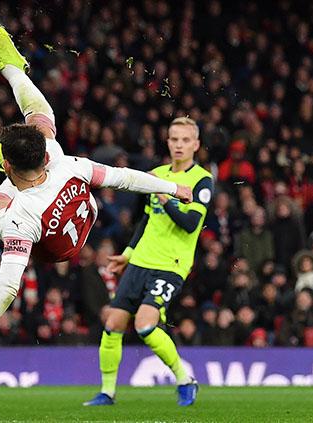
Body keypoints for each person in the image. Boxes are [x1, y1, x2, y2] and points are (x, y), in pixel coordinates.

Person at [0, 24, 191, 363]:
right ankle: (13, 68)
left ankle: (12, 157)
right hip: (85, 213)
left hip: (58, 249)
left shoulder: (19, 218)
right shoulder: (66, 162)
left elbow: (8, 286)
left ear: (8, 168)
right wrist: (175, 187)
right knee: (43, 123)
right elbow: (126, 178)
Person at [83, 116, 213, 407]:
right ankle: (107, 391)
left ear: (196, 144)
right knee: (113, 322)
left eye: (185, 140)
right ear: (167, 141)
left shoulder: (201, 180)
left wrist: (167, 196)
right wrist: (127, 256)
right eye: (174, 139)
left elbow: (191, 223)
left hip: (171, 264)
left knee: (144, 325)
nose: (179, 145)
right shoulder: (155, 174)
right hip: (141, 261)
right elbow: (145, 220)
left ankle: (184, 378)